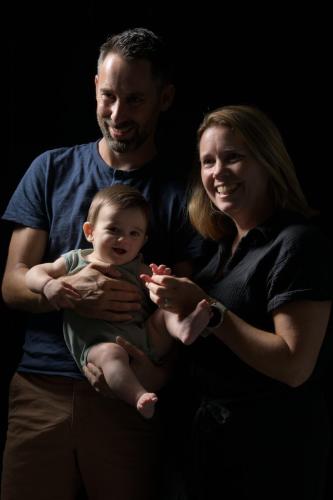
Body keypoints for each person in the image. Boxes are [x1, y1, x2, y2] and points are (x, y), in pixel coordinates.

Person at [1, 28, 207, 500]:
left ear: (165, 97)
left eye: (135, 100)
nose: (118, 114)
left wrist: (151, 376)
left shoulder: (184, 193)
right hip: (41, 388)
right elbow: (12, 284)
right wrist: (70, 293)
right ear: (95, 86)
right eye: (108, 96)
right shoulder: (50, 169)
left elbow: (182, 305)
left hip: (129, 397)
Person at [142, 105, 333, 500]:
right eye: (207, 162)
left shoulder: (297, 243)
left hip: (269, 459)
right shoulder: (220, 252)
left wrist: (209, 310)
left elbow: (294, 365)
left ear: (268, 161)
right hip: (207, 452)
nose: (217, 173)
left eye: (233, 157)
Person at [25, 184, 210, 420]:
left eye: (134, 233)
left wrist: (163, 281)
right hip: (98, 346)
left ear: (143, 241)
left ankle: (183, 329)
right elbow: (34, 272)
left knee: (165, 313)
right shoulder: (75, 260)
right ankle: (138, 396)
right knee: (112, 355)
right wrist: (48, 285)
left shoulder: (139, 267)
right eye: (113, 229)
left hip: (146, 340)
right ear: (90, 231)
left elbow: (168, 292)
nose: (123, 239)